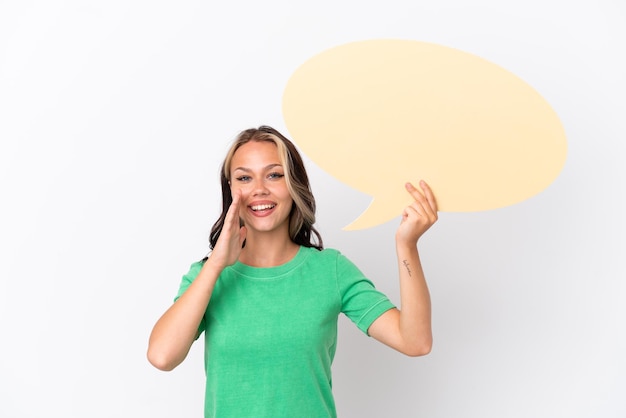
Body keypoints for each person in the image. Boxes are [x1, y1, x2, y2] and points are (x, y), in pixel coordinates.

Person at [147, 126, 438, 418]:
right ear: (231, 189)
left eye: (274, 174)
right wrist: (215, 265)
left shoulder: (330, 271)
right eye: (244, 178)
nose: (259, 188)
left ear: (294, 184)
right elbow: (162, 357)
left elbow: (414, 341)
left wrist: (407, 245)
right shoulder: (207, 276)